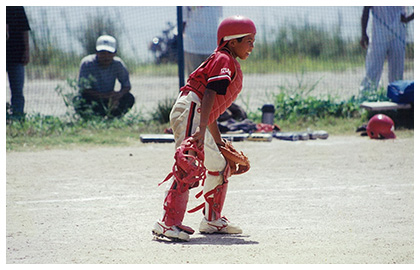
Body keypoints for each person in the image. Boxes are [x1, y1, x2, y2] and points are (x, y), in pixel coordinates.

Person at [152, 15, 256, 241]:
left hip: (196, 110)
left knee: (218, 164)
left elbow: (211, 110)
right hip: (191, 108)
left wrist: (217, 141)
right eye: (248, 40)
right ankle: (168, 223)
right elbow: (207, 95)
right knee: (188, 163)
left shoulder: (226, 60)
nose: (252, 46)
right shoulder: (224, 59)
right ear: (231, 41)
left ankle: (211, 220)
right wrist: (200, 129)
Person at [359, 6, 414, 95]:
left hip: (398, 33)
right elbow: (366, 9)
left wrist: (407, 19)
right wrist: (363, 33)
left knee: (397, 73)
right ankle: (365, 98)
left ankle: (396, 100)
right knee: (373, 70)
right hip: (378, 33)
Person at [76, 35, 135, 118]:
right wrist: (103, 96)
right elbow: (83, 88)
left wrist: (118, 95)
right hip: (93, 98)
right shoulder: (87, 63)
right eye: (102, 53)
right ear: (96, 52)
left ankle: (114, 117)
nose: (106, 57)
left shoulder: (117, 64)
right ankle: (92, 117)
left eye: (109, 53)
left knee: (129, 98)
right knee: (79, 100)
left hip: (110, 99)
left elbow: (127, 85)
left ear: (115, 53)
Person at [6, 6, 31, 120]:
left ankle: (17, 119)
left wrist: (26, 50)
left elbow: (24, 28)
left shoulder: (16, 7)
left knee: (17, 92)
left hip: (16, 55)